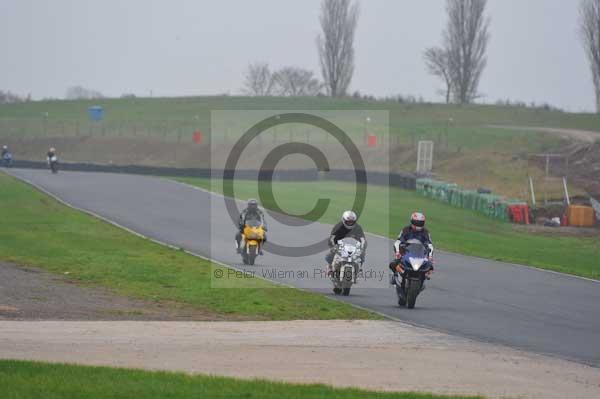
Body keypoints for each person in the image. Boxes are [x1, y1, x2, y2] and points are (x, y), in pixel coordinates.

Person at [389, 212, 434, 286]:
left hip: (420, 254)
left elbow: (430, 245)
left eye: (420, 223)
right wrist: (397, 252)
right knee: (393, 264)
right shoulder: (406, 229)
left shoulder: (425, 232)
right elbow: (397, 242)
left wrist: (430, 256)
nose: (418, 225)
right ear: (412, 221)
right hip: (406, 252)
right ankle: (395, 275)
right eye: (416, 222)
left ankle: (423, 277)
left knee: (430, 266)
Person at [326, 211, 367, 275]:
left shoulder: (358, 227)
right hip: (339, 245)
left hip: (353, 246)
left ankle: (359, 268)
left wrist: (363, 247)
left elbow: (363, 239)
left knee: (362, 254)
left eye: (352, 222)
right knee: (330, 254)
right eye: (348, 222)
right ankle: (329, 267)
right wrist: (333, 246)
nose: (350, 223)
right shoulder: (338, 226)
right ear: (343, 220)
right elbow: (331, 238)